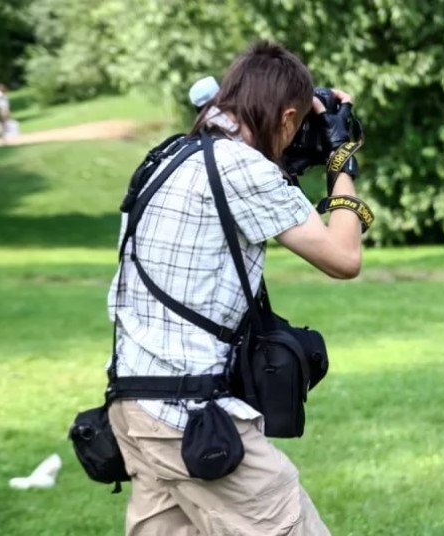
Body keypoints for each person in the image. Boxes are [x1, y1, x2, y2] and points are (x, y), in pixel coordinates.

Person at [106, 41, 367, 535]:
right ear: (286, 117)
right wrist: (342, 161)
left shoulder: (171, 154)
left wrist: (291, 156)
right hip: (191, 415)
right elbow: (344, 257)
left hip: (133, 405)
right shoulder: (242, 167)